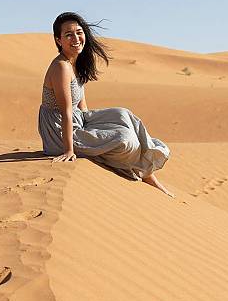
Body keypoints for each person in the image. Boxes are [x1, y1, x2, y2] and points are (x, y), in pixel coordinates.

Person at [38, 11, 174, 197]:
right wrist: (69, 150)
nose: (76, 38)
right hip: (59, 131)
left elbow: (82, 106)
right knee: (123, 138)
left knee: (123, 115)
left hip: (77, 120)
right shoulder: (61, 67)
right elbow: (66, 112)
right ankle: (142, 173)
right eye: (68, 35)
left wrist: (94, 126)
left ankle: (147, 171)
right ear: (59, 40)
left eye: (79, 32)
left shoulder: (75, 62)